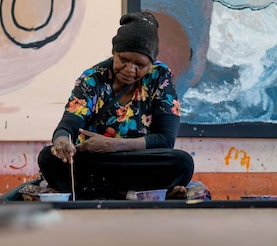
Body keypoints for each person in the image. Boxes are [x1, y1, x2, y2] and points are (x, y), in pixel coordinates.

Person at [37, 11, 195, 199]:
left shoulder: (160, 77)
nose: (130, 69)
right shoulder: (92, 79)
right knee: (48, 159)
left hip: (137, 161)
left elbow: (165, 140)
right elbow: (69, 124)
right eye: (124, 60)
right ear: (114, 53)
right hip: (97, 163)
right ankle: (133, 193)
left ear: (151, 63)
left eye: (139, 64)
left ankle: (109, 191)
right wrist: (62, 140)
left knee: (182, 162)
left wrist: (112, 145)